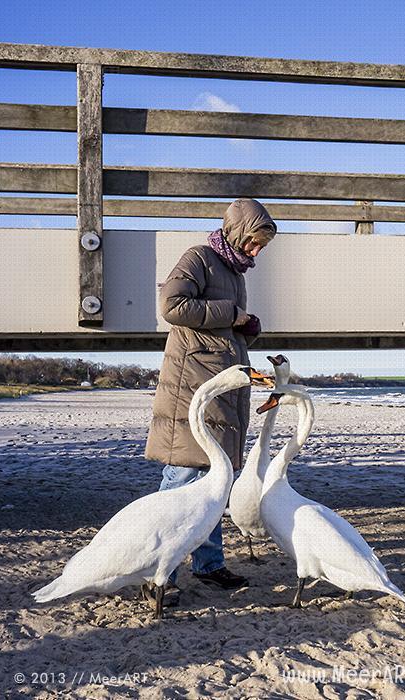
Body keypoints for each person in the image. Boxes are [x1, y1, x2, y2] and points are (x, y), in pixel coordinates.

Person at [144, 198, 277, 605]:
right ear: (238, 233)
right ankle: (156, 573)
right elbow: (172, 306)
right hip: (192, 386)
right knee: (182, 477)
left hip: (218, 385)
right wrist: (233, 315)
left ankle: (208, 564)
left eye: (261, 247)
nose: (256, 252)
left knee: (214, 481)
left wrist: (245, 329)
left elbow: (220, 331)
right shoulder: (199, 257)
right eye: (253, 243)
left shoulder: (234, 271)